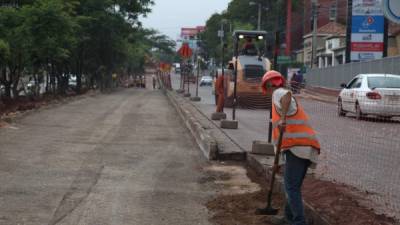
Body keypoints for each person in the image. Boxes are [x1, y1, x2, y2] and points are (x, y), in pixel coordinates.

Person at [260, 70, 321, 225]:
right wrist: (278, 162)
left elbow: (287, 95)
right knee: (292, 187)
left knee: (291, 187)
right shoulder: (276, 102)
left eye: (266, 87)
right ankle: (288, 218)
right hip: (302, 148)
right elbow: (279, 139)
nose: (266, 92)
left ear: (269, 84)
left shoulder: (278, 93)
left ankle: (299, 221)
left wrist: (283, 119)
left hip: (299, 147)